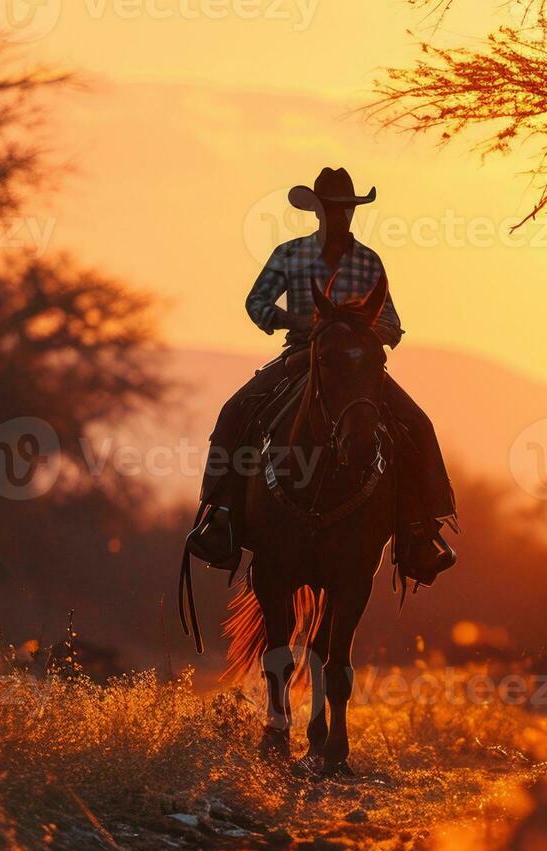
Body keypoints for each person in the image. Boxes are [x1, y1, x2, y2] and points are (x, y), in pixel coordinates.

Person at [190, 167, 457, 584]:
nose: (340, 217)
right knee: (234, 411)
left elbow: (392, 322)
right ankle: (220, 516)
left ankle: (420, 529)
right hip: (302, 356)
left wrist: (360, 334)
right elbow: (256, 302)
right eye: (332, 209)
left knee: (418, 425)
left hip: (357, 365)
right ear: (317, 211)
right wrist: (293, 319)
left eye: (346, 209)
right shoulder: (290, 254)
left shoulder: (369, 261)